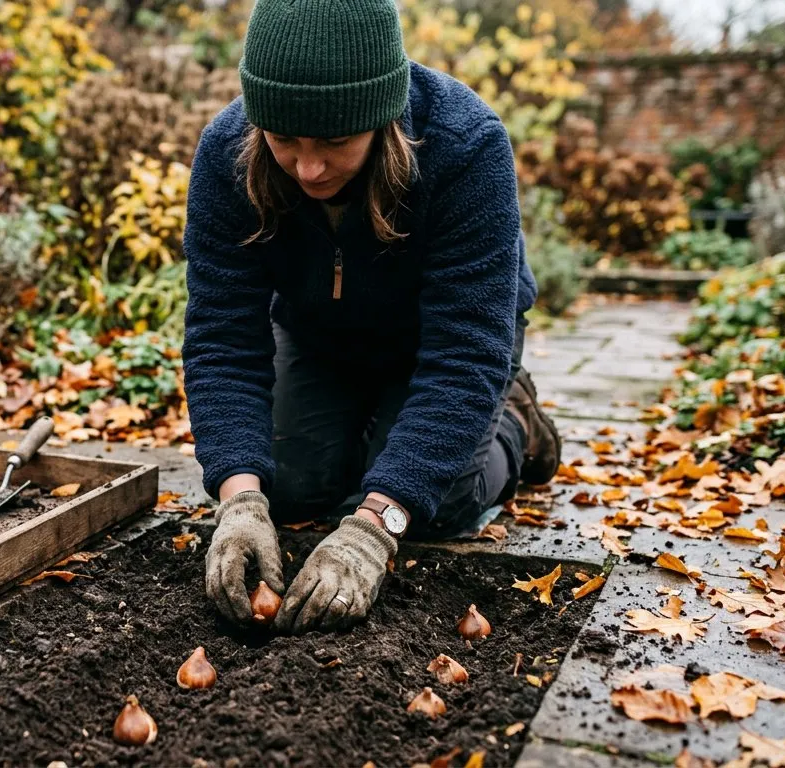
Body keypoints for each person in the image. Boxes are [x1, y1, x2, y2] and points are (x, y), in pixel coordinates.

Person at [183, 0, 563, 635]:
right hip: (319, 334)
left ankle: (516, 418)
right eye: (282, 140)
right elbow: (222, 336)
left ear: (383, 117)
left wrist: (373, 528)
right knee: (291, 486)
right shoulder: (226, 151)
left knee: (439, 506)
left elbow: (463, 355)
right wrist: (239, 499)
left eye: (334, 142)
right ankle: (368, 428)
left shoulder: (466, 145)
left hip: (443, 345)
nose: (307, 168)